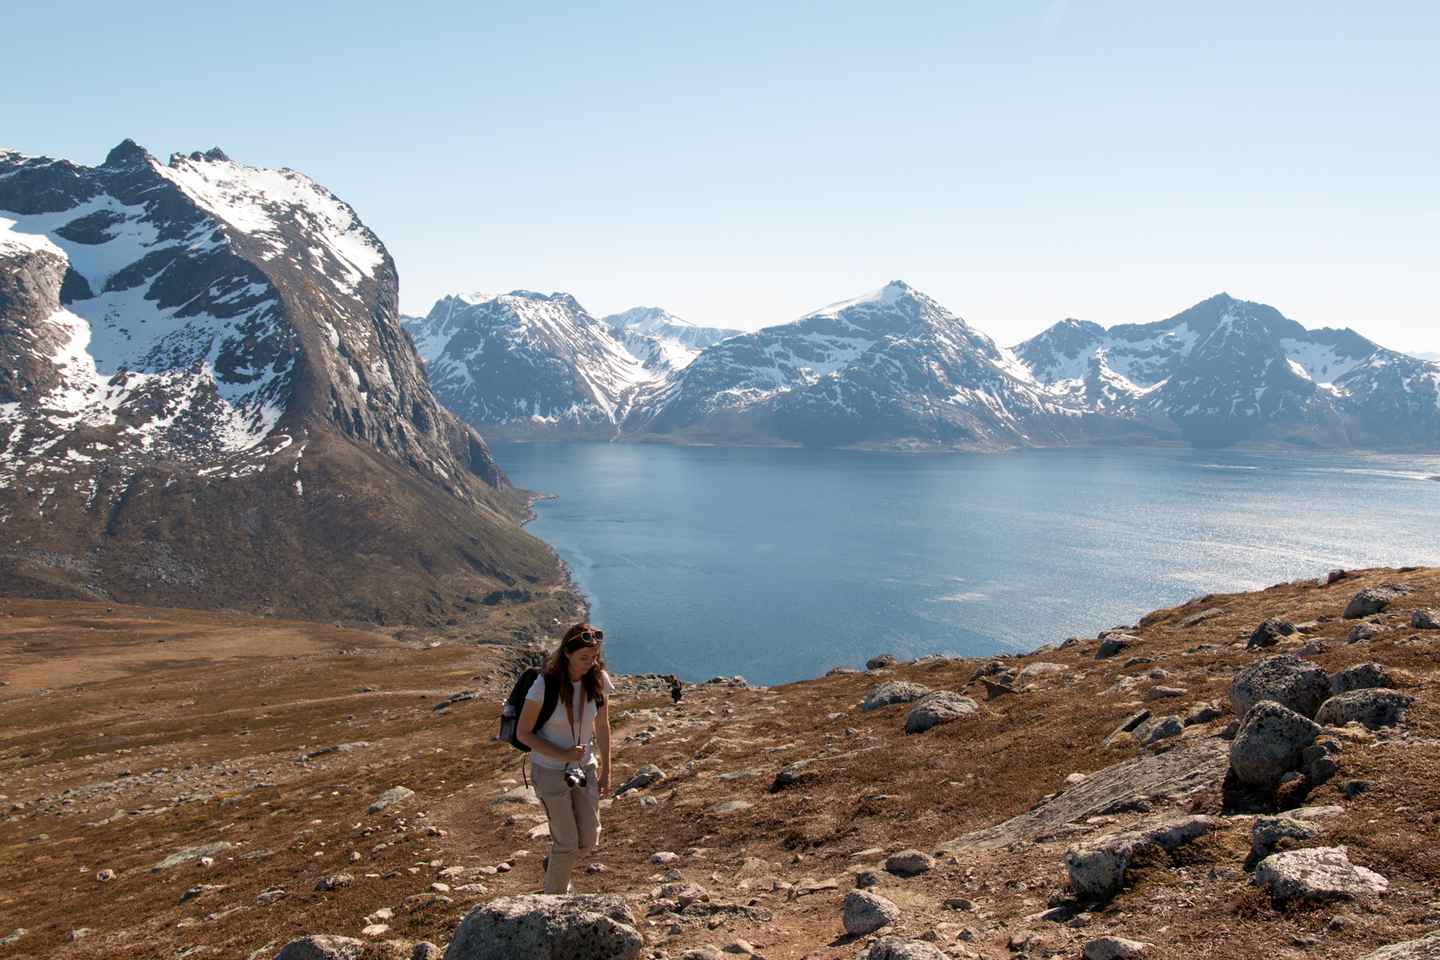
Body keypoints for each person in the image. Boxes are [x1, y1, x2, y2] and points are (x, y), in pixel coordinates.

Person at [516, 622, 614, 893]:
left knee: (589, 838)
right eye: (584, 657)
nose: (590, 663)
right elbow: (523, 733)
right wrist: (563, 754)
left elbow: (602, 726)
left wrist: (606, 771)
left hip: (583, 770)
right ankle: (552, 903)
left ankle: (556, 863)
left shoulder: (598, 679)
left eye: (595, 656)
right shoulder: (544, 685)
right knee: (567, 842)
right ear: (567, 653)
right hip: (549, 771)